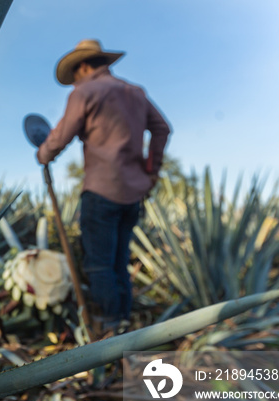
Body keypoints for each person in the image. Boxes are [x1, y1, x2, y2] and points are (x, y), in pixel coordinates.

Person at [37, 39, 171, 335]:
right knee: (119, 261)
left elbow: (61, 136)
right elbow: (162, 128)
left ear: (83, 67)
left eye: (74, 77)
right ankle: (124, 322)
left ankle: (109, 329)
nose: (73, 84)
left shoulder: (85, 92)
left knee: (99, 264)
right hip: (132, 193)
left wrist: (43, 153)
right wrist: (151, 173)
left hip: (101, 190)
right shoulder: (135, 92)